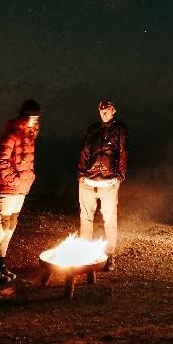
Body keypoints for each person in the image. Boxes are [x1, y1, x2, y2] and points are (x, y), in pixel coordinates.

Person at [0, 99, 41, 284]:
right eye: (31, 117)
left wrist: (28, 180)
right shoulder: (12, 133)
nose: (34, 120)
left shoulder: (30, 135)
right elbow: (0, 161)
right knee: (1, 227)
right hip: (7, 189)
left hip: (20, 190)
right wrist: (15, 181)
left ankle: (1, 264)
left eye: (36, 118)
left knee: (10, 227)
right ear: (24, 116)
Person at [77, 99, 128, 271]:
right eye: (101, 110)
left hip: (109, 181)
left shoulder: (120, 129)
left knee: (110, 219)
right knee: (86, 217)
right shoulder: (92, 129)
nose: (104, 113)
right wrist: (81, 174)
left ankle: (110, 255)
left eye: (107, 110)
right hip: (88, 180)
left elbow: (122, 152)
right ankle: (85, 253)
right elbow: (85, 151)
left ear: (114, 110)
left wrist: (119, 177)